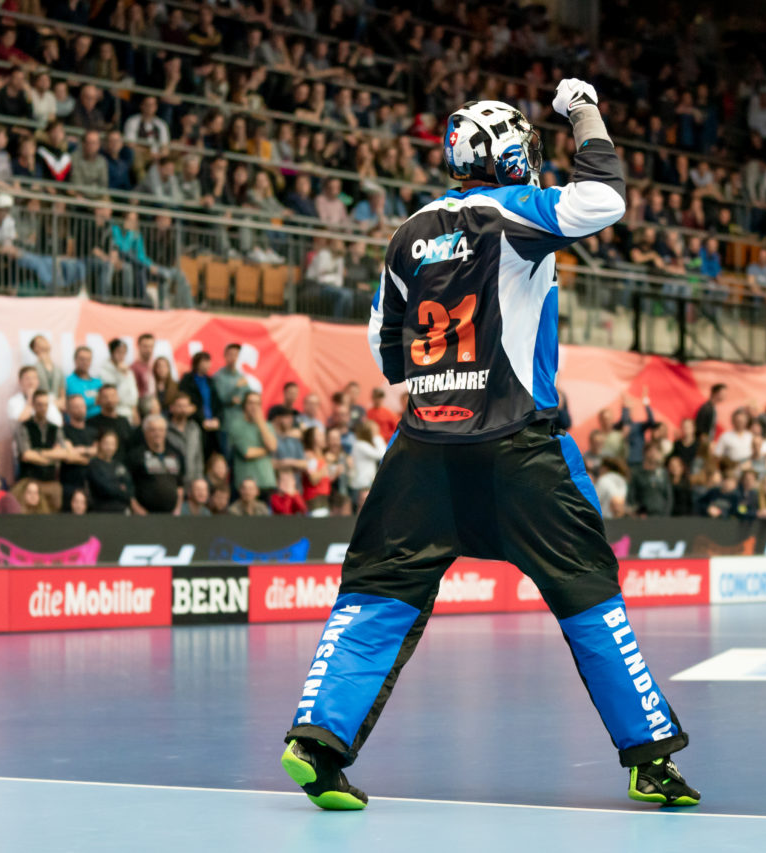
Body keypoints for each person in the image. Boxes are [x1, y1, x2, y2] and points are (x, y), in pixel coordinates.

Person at [280, 82, 697, 810]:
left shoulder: (406, 233)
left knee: (376, 593)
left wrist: (447, 374)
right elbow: (605, 199)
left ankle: (315, 743)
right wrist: (584, 110)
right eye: (525, 152)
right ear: (506, 157)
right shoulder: (512, 211)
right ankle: (650, 757)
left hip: (422, 449)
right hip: (516, 447)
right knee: (589, 596)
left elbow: (388, 352)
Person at [15, 389, 68, 511]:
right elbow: (26, 455)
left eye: (45, 404)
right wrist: (51, 458)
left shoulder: (55, 427)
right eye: (39, 404)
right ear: (33, 405)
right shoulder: (24, 426)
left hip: (50, 480)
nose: (43, 408)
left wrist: (40, 453)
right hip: (29, 480)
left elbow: (64, 452)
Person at [127, 415, 184, 515]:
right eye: (153, 430)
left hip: (171, 515)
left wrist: (178, 508)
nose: (157, 434)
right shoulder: (135, 456)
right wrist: (136, 509)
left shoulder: (175, 454)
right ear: (145, 433)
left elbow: (179, 484)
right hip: (144, 516)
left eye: (161, 430)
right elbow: (128, 485)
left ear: (166, 432)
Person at [228, 391, 278, 492]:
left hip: (266, 482)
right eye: (250, 403)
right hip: (246, 487)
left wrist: (260, 423)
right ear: (244, 405)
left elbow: (273, 447)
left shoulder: (267, 425)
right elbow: (247, 453)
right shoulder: (236, 426)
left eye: (257, 403)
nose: (254, 407)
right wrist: (267, 450)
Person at [177, 351, 224, 459]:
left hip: (212, 426)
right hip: (195, 424)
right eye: (205, 362)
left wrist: (218, 419)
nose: (208, 365)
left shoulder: (210, 381)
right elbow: (188, 405)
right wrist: (201, 420)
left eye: (209, 362)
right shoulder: (187, 380)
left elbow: (218, 404)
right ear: (197, 363)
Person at [87, 430, 133, 513]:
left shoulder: (119, 465)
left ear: (117, 446)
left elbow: (129, 488)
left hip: (122, 510)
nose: (109, 447)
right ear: (99, 444)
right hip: (101, 510)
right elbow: (104, 488)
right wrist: (120, 487)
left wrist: (115, 486)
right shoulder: (94, 464)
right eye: (106, 443)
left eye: (113, 444)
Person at [166, 393, 205, 490]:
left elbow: (198, 456)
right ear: (172, 408)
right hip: (172, 483)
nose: (183, 410)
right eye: (179, 406)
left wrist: (199, 478)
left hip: (192, 483)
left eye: (185, 406)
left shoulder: (194, 428)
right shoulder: (166, 429)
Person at [100, 338, 140, 424]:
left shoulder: (128, 371)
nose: (121, 355)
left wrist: (134, 410)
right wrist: (120, 374)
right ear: (112, 352)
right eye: (118, 352)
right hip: (116, 411)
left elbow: (133, 392)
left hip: (130, 412)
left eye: (124, 352)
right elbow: (113, 392)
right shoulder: (104, 370)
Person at [347, 421, 386, 508]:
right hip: (362, 485)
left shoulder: (363, 445)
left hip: (366, 484)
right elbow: (382, 454)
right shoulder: (360, 445)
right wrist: (376, 437)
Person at [629, 441, 673, 517]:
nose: (654, 454)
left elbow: (669, 497)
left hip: (660, 516)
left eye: (657, 451)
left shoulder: (663, 473)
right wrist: (637, 512)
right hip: (643, 517)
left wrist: (666, 515)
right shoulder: (637, 473)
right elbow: (631, 496)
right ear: (645, 453)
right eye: (651, 451)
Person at [65, 346, 102, 418]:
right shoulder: (67, 381)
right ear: (75, 360)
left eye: (88, 359)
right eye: (82, 359)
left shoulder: (98, 383)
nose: (85, 362)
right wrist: (94, 402)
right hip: (77, 423)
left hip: (98, 423)